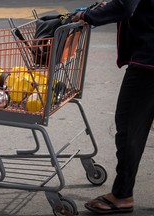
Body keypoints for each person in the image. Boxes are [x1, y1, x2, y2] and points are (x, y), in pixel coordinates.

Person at [72, 0, 154, 214]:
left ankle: (122, 195)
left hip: (149, 63)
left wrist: (87, 16)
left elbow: (125, 7)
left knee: (129, 130)